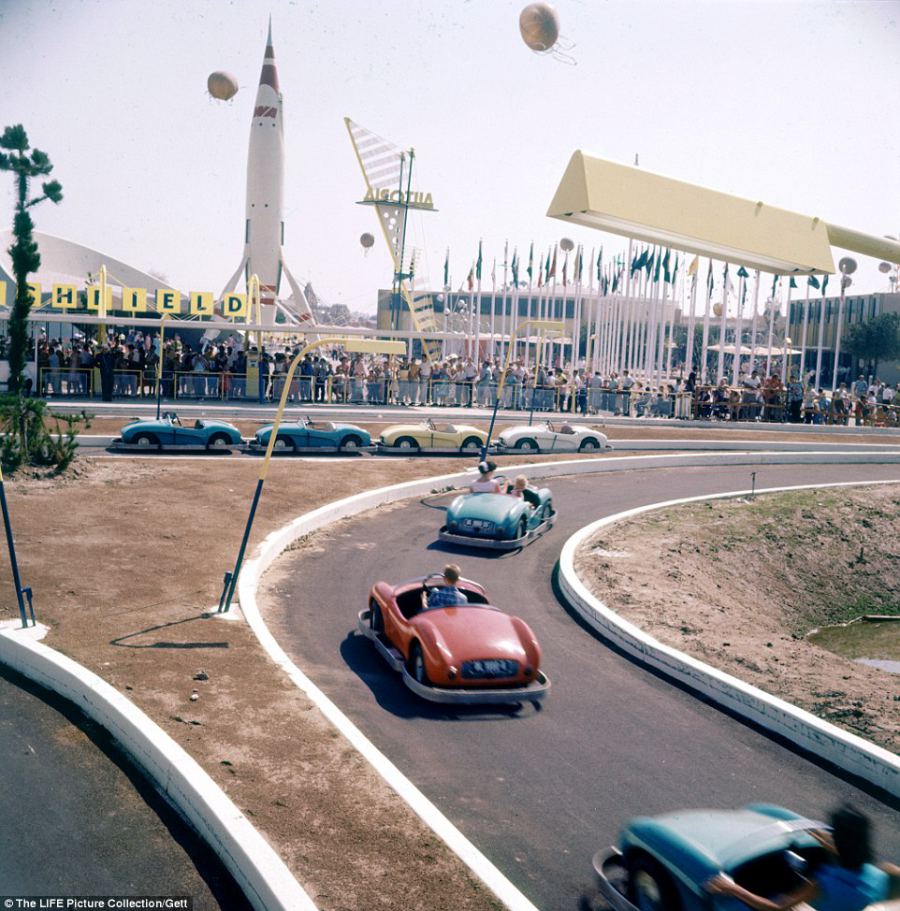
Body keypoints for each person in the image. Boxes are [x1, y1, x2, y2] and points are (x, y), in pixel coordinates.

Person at [706, 803, 897, 911]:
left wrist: (733, 889)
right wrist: (820, 836)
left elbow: (777, 907)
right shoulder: (880, 875)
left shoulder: (823, 884)